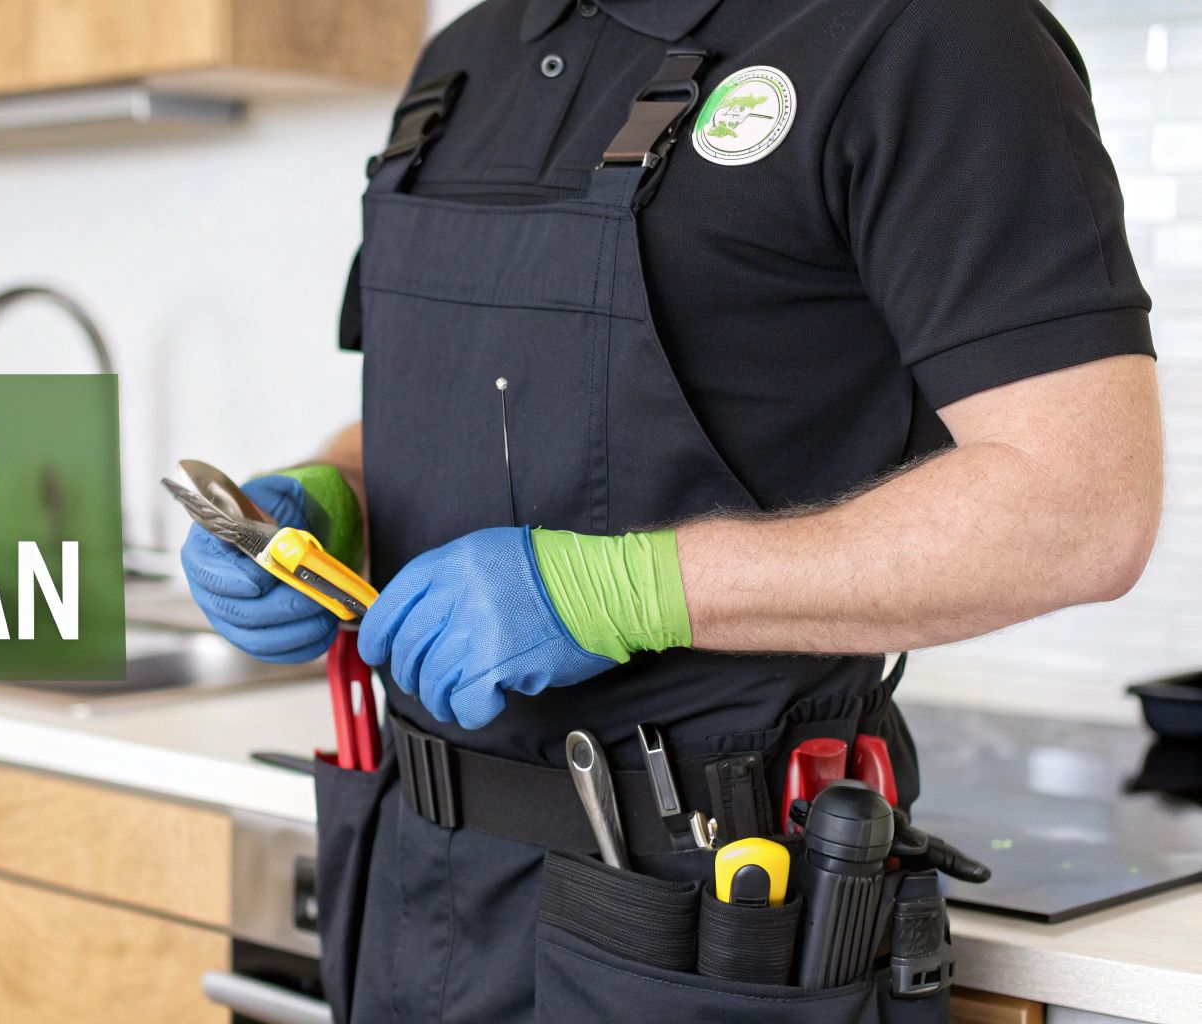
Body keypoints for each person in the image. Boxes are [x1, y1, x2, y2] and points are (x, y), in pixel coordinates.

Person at [180, 0, 1163, 1019]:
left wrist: (617, 590)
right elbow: (459, 417)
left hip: (703, 920)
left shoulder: (920, 34)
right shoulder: (461, 60)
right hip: (406, 885)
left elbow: (1078, 508)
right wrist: (328, 500)